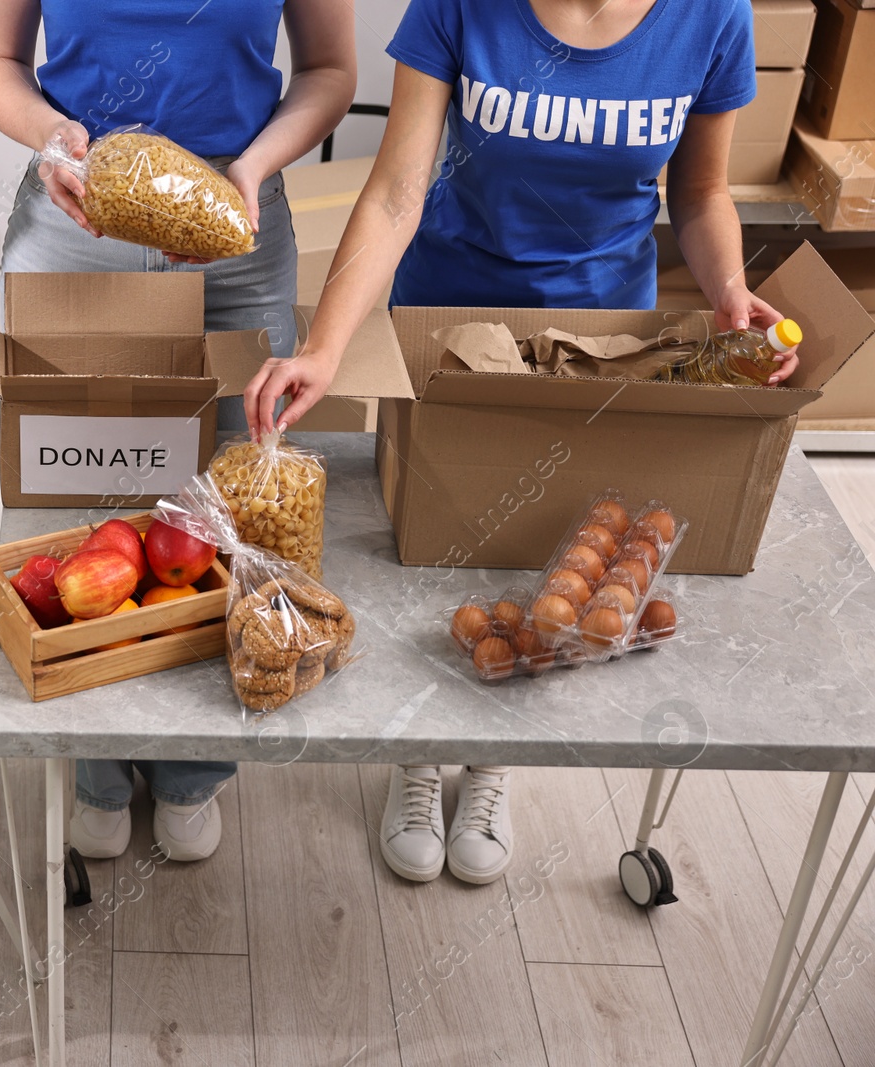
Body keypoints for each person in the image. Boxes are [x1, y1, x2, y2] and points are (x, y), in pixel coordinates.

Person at [245, 0, 797, 884]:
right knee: (438, 548)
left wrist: (729, 290)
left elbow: (698, 194)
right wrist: (325, 347)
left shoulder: (711, 16)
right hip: (450, 328)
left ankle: (492, 764)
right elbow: (395, 190)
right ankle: (424, 756)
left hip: (599, 339)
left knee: (554, 552)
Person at [0, 0, 357, 862]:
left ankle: (193, 767)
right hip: (77, 222)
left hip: (234, 230)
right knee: (74, 504)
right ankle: (93, 765)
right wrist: (51, 135)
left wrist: (254, 165)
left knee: (222, 517)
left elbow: (331, 69)